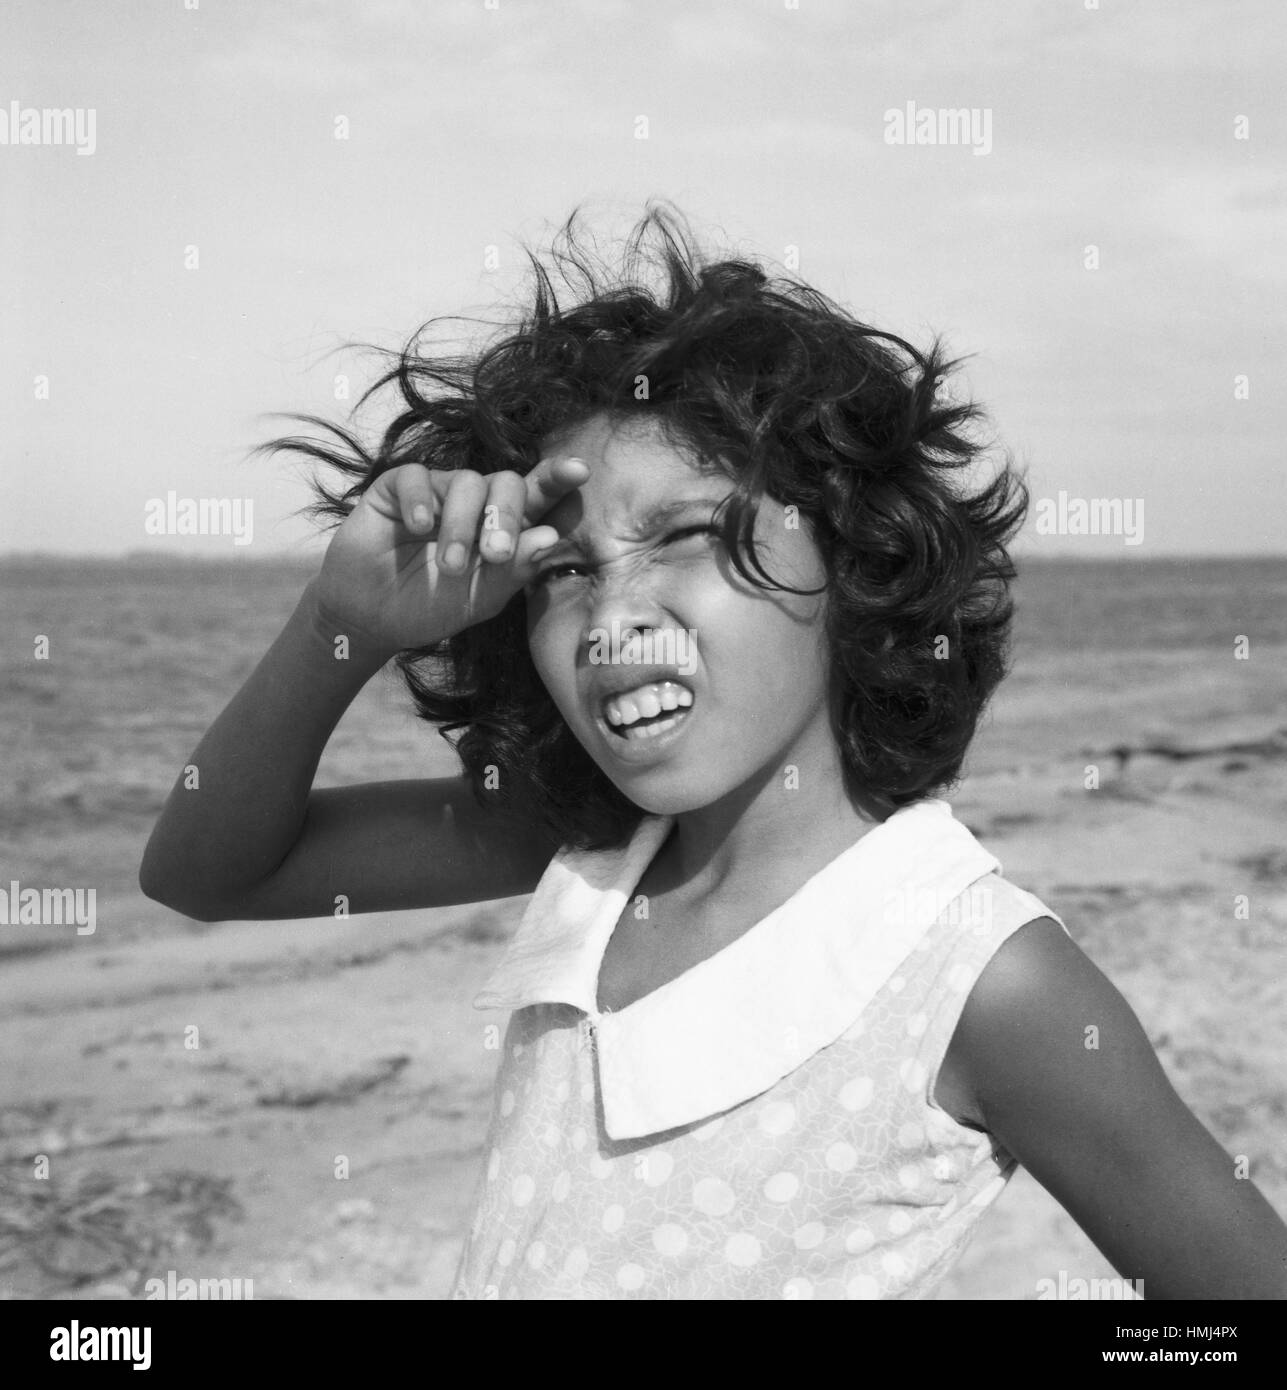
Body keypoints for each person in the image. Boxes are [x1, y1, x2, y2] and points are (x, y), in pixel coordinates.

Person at [140, 206, 1287, 1300]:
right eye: (564, 571)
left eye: (683, 534)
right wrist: (343, 624)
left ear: (855, 560)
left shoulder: (983, 978)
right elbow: (206, 871)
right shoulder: (586, 852)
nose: (610, 619)